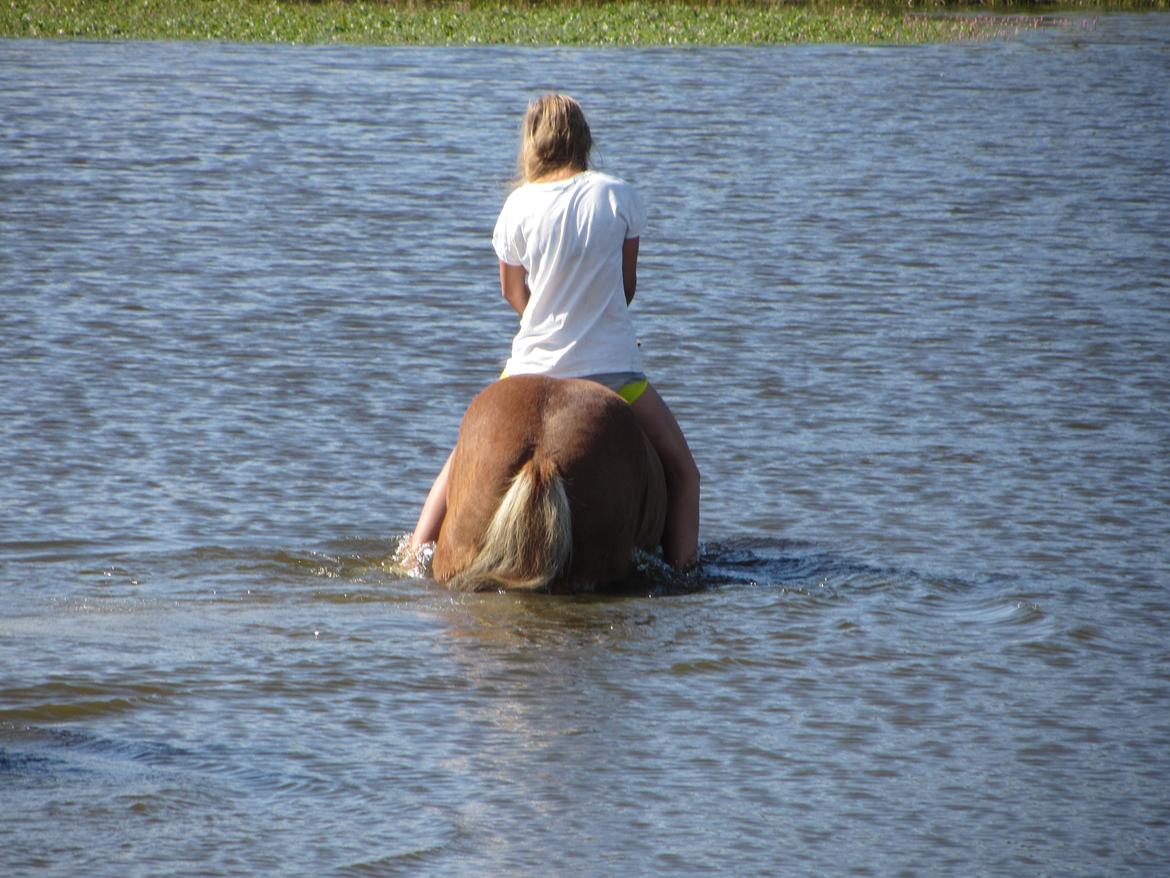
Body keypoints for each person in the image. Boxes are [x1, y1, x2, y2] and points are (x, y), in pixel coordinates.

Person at [405, 94, 700, 570]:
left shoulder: (516, 206)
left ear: (532, 144)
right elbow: (626, 288)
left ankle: (414, 557)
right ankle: (687, 571)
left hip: (527, 368)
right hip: (613, 371)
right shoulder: (617, 194)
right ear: (584, 140)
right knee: (685, 474)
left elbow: (511, 293)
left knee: (460, 465)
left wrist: (544, 316)